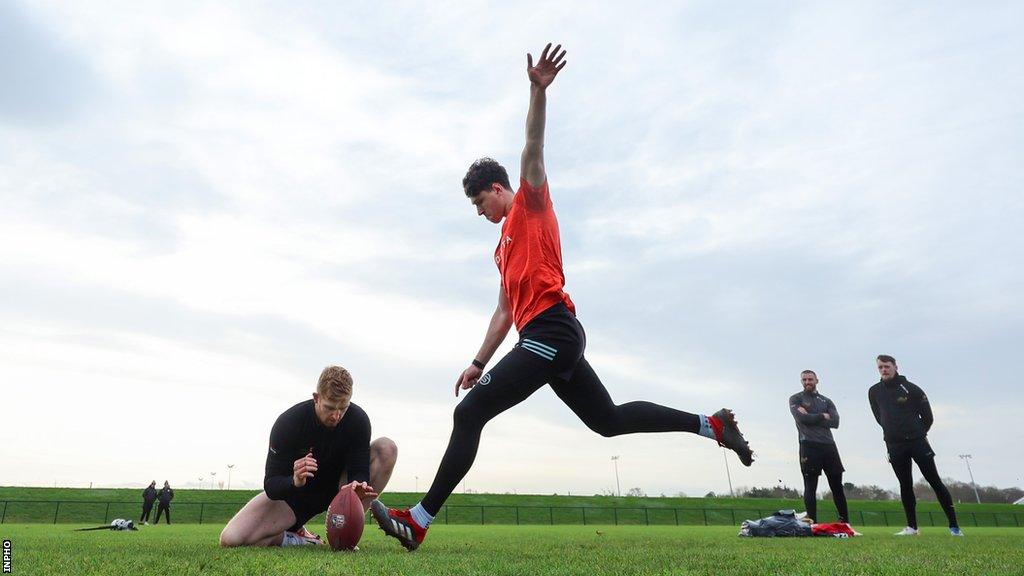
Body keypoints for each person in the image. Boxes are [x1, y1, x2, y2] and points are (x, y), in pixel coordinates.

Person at [370, 43, 753, 552]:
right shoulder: (503, 251)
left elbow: (533, 145)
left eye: (481, 201)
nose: (480, 211)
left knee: (470, 415)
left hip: (553, 330)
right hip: (544, 337)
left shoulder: (530, 205)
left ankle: (418, 520)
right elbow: (504, 311)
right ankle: (712, 425)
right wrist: (477, 361)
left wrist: (537, 91)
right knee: (609, 421)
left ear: (501, 189)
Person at [219, 365, 398, 547]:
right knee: (231, 539)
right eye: (329, 408)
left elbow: (359, 468)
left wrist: (358, 483)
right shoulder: (289, 423)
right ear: (316, 398)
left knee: (387, 448)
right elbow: (271, 484)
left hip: (340, 491)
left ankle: (345, 535)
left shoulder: (358, 420)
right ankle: (300, 539)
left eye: (343, 408)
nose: (336, 416)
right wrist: (294, 480)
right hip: (297, 496)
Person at [868, 354, 963, 536]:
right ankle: (912, 527)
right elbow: (879, 417)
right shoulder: (874, 391)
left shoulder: (912, 389)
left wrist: (917, 432)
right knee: (905, 485)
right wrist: (893, 433)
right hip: (894, 445)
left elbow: (928, 417)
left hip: (917, 442)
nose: (884, 370)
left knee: (935, 481)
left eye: (887, 366)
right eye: (880, 367)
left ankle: (954, 527)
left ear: (896, 367)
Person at [789, 370, 848, 524]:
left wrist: (811, 416)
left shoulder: (826, 401)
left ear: (817, 380)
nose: (807, 382)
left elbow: (835, 422)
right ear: (801, 381)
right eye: (804, 379)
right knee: (810, 486)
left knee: (837, 486)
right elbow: (802, 418)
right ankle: (812, 522)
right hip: (808, 445)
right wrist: (823, 415)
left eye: (810, 379)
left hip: (829, 446)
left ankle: (845, 522)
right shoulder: (796, 398)